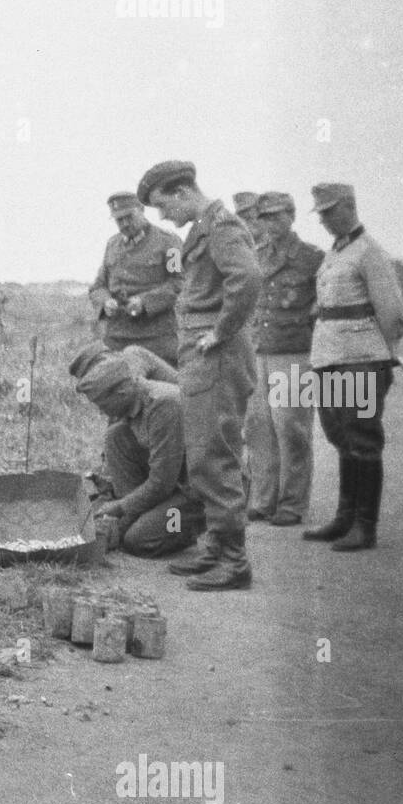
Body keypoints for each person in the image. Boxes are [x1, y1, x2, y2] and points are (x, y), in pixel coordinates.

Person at [136, 159, 262, 590]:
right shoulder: (202, 229)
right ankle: (214, 546)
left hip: (217, 357)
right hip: (202, 356)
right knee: (203, 453)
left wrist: (220, 332)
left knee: (216, 454)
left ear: (181, 192)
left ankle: (234, 559)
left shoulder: (222, 226)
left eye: (161, 206)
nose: (162, 216)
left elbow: (246, 280)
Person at [302, 184, 403, 551]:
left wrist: (385, 353)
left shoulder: (369, 252)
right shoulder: (335, 252)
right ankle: (344, 518)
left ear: (349, 206)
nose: (325, 220)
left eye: (330, 211)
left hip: (361, 360)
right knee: (340, 435)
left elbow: (391, 313)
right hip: (329, 356)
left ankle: (365, 526)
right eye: (321, 214)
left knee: (362, 438)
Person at [244, 191, 324, 525]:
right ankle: (263, 500)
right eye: (264, 217)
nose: (271, 223)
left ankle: (292, 504)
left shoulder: (311, 258)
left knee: (292, 429)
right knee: (258, 427)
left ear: (292, 216)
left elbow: (323, 306)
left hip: (294, 353)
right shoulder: (257, 254)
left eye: (277, 216)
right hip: (259, 352)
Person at [74, 354, 204, 557]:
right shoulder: (133, 403)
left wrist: (118, 507)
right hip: (175, 484)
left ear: (122, 392)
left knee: (139, 540)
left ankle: (186, 530)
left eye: (102, 405)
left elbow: (162, 483)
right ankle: (140, 517)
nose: (101, 412)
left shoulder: (163, 406)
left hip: (198, 493)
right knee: (116, 436)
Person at [87, 191, 183, 366]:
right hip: (117, 339)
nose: (124, 224)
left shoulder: (170, 242)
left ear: (141, 210)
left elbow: (178, 282)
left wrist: (144, 302)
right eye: (118, 220)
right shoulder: (112, 245)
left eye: (128, 217)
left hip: (156, 341)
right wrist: (106, 302)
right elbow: (98, 286)